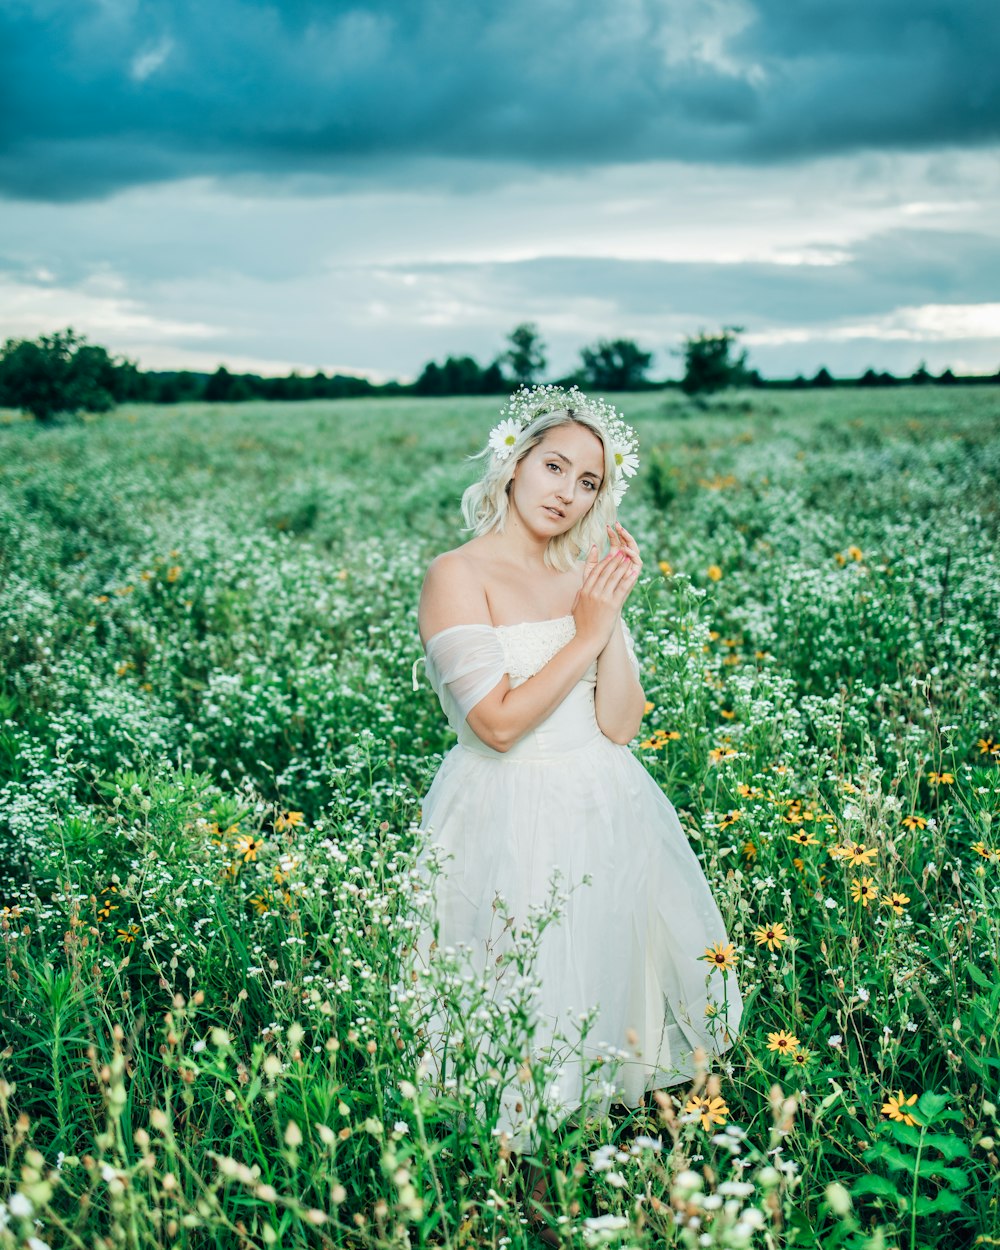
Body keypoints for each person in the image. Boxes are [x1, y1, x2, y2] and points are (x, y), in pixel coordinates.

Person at [409, 385, 743, 1240]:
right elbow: (497, 723)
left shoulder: (580, 579)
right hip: (508, 805)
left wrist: (609, 617)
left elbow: (621, 723)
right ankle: (517, 1194)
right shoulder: (458, 573)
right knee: (524, 982)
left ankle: (612, 1158)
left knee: (604, 966)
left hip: (607, 796)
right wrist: (586, 634)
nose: (567, 491)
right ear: (515, 460)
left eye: (589, 482)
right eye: (555, 465)